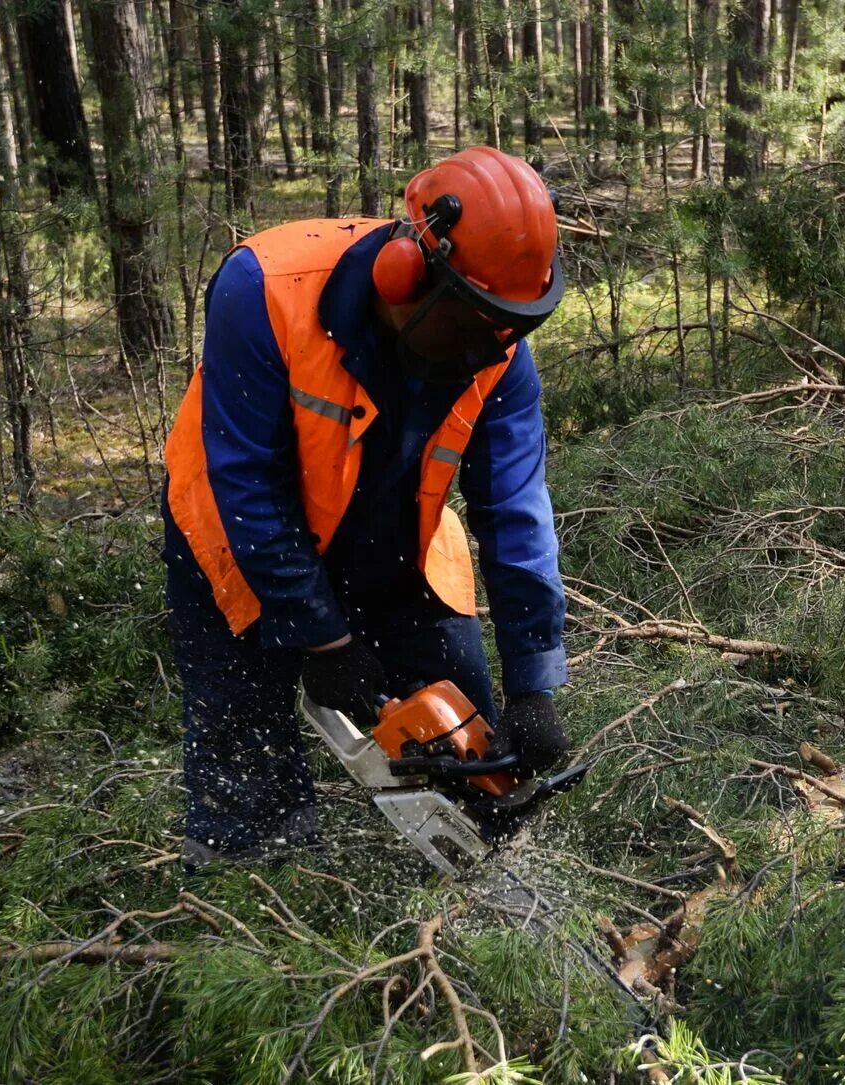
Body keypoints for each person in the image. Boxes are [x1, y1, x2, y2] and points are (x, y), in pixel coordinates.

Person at [161, 146, 570, 867]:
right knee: (243, 751)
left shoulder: (497, 346)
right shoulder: (264, 288)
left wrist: (534, 680)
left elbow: (514, 507)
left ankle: (471, 910)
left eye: (503, 327)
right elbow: (248, 486)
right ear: (405, 272)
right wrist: (325, 640)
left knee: (468, 753)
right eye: (470, 324)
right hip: (235, 533)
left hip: (393, 536)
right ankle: (244, 899)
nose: (484, 350)